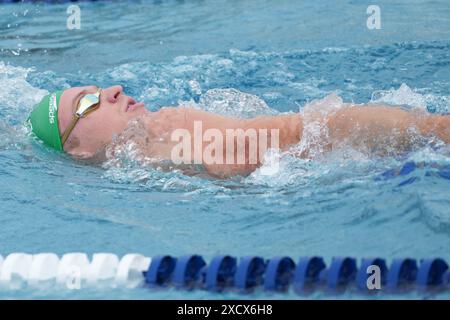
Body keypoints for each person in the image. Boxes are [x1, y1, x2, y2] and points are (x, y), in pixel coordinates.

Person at [28, 85, 450, 177]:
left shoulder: (154, 134)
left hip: (324, 139)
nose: (112, 90)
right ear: (79, 150)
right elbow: (239, 162)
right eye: (88, 102)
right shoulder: (145, 156)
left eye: (100, 87)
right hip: (321, 144)